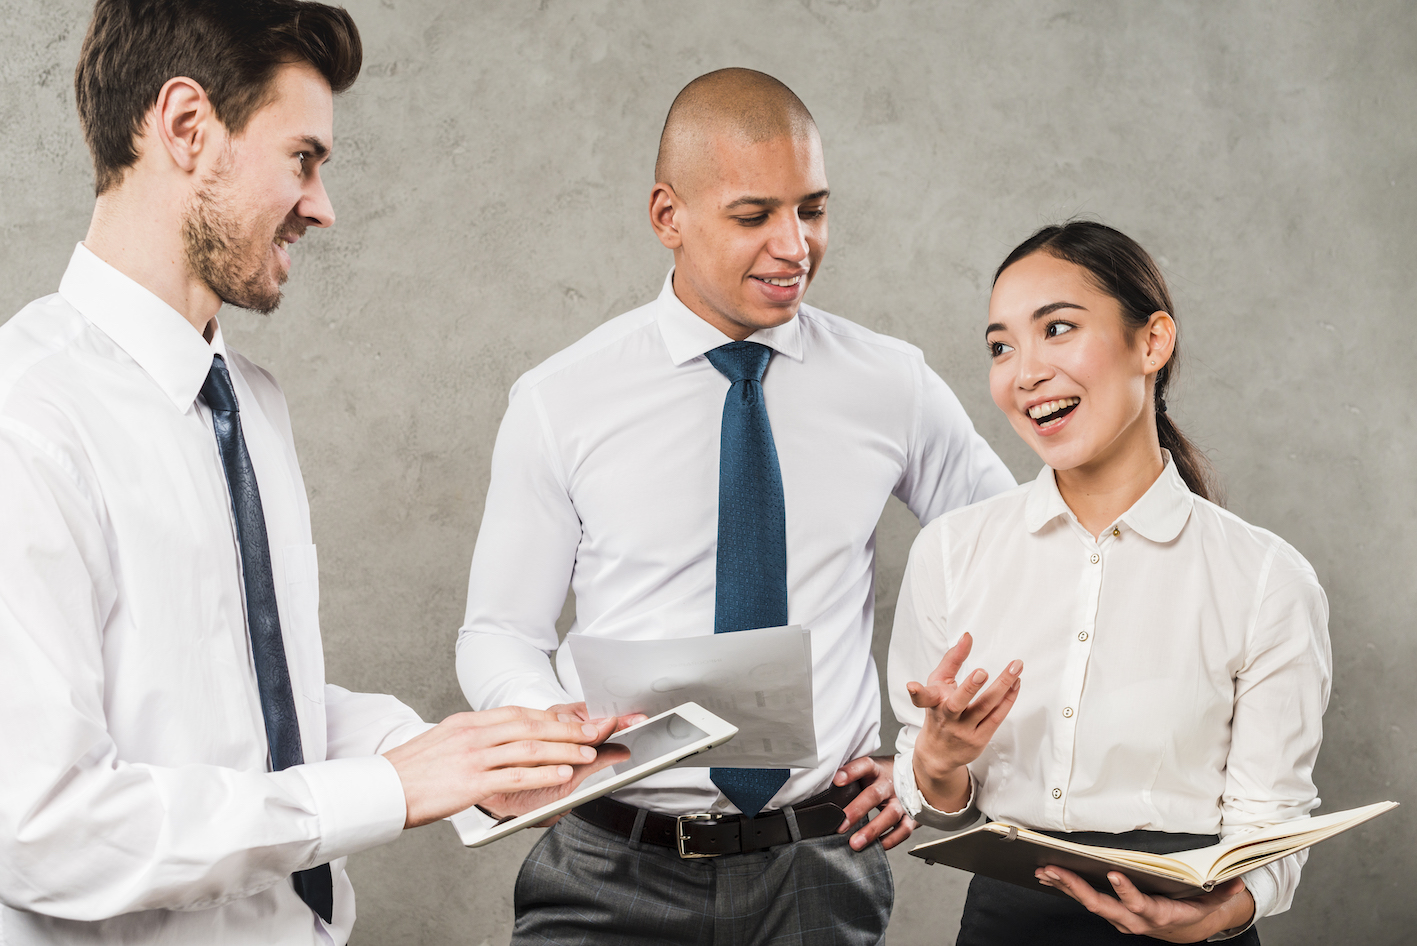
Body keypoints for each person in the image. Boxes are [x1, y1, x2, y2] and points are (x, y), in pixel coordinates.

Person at [0, 3, 632, 944]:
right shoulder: (28, 418)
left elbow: (253, 700)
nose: (323, 205)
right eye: (303, 157)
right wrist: (386, 789)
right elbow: (41, 831)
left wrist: (459, 757)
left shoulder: (247, 401)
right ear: (186, 126)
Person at [455, 67, 1015, 945]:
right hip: (610, 866)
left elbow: (1020, 559)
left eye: (813, 210)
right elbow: (497, 630)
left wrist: (918, 762)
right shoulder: (559, 400)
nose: (794, 246)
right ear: (666, 216)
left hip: (818, 871)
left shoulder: (888, 383)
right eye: (754, 216)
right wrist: (552, 729)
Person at [889, 220, 1332, 944]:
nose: (1023, 372)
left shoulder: (1264, 580)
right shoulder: (951, 553)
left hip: (1187, 925)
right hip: (1005, 924)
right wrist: (935, 761)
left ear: (1150, 342)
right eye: (1001, 347)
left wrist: (1217, 914)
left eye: (1056, 329)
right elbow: (940, 804)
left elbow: (1271, 827)